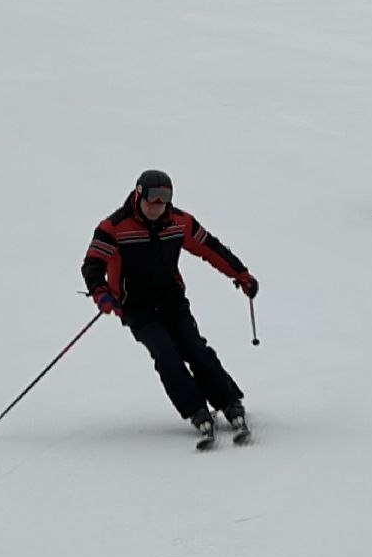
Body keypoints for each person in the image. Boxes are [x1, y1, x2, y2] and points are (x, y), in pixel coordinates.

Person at [82, 169, 259, 439]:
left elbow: (210, 248)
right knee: (166, 354)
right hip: (136, 307)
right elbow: (93, 265)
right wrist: (101, 293)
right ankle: (196, 409)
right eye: (153, 200)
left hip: (171, 300)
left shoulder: (179, 222)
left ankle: (229, 402)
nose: (157, 207)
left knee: (195, 348)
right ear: (139, 195)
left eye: (163, 201)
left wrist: (241, 275)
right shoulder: (114, 227)